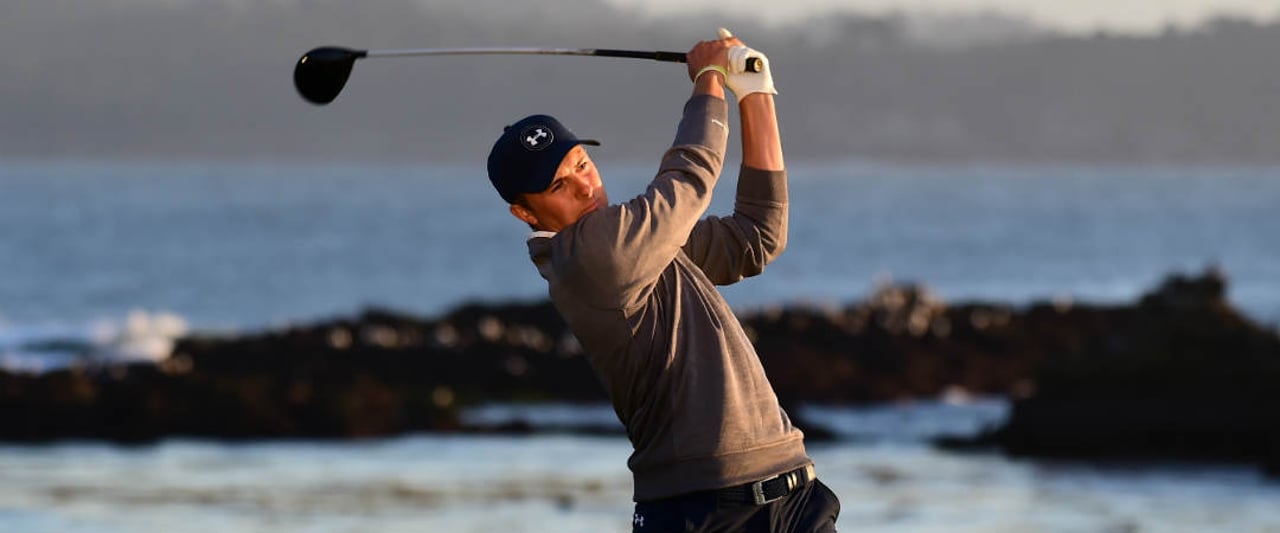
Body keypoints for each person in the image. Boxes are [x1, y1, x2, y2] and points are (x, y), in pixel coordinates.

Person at [485, 29, 840, 533]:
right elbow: (689, 177)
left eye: (583, 164)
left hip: (792, 495)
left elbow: (756, 237)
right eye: (559, 185)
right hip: (705, 512)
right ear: (524, 212)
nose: (586, 185)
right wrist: (709, 82)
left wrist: (757, 94)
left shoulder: (636, 242)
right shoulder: (589, 258)